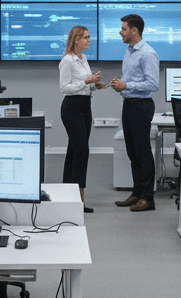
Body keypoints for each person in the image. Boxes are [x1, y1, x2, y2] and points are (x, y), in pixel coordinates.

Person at [109, 14, 160, 212]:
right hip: (129, 104)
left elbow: (153, 84)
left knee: (143, 153)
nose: (120, 32)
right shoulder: (129, 50)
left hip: (141, 106)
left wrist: (126, 85)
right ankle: (137, 193)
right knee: (133, 153)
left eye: (123, 29)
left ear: (134, 30)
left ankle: (148, 198)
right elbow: (131, 78)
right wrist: (120, 85)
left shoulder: (147, 53)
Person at [59, 25, 105, 214]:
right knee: (81, 151)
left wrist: (95, 85)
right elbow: (64, 88)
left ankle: (67, 194)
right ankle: (79, 200)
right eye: (85, 37)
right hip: (72, 109)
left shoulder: (83, 59)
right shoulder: (67, 61)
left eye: (89, 37)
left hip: (85, 107)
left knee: (74, 151)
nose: (89, 40)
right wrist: (86, 81)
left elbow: (83, 86)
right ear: (76, 39)